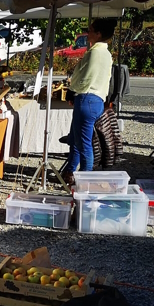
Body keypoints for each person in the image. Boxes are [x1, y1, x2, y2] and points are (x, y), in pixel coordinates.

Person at [62, 18, 116, 183]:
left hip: (87, 98)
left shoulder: (95, 53)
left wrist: (72, 91)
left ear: (98, 34)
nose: (88, 32)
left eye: (91, 30)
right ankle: (71, 171)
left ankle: (85, 181)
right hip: (96, 99)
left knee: (84, 144)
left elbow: (85, 78)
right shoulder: (106, 53)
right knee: (77, 139)